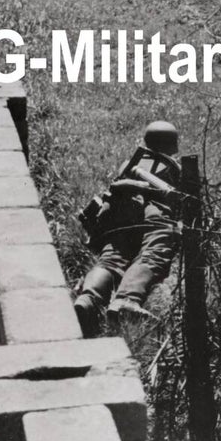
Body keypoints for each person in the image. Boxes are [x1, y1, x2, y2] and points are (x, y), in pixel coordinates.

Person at [74, 121, 181, 337]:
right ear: (172, 145)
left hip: (120, 213)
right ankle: (127, 299)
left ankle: (88, 299)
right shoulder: (174, 169)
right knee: (152, 254)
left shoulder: (130, 163)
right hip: (154, 213)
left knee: (112, 258)